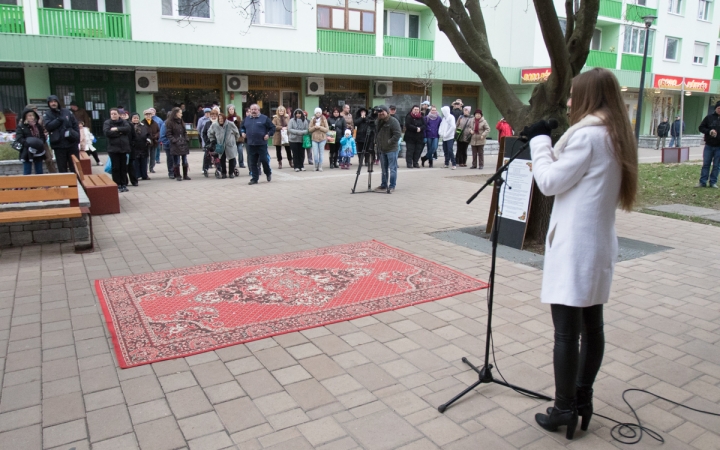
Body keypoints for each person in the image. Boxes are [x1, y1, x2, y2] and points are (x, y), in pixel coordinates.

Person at [524, 67, 638, 440]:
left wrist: (540, 142)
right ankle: (582, 401)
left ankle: (563, 409)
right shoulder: (616, 133)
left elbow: (550, 181)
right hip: (598, 243)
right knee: (592, 327)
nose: (570, 102)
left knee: (565, 333)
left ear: (590, 97)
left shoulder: (587, 137)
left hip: (575, 246)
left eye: (574, 95)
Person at [43, 95, 80, 173]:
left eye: (55, 101)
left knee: (75, 167)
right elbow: (48, 126)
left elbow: (75, 125)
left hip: (71, 143)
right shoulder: (47, 114)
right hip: (59, 145)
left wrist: (77, 138)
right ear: (49, 103)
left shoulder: (67, 112)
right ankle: (65, 185)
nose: (53, 103)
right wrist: (58, 119)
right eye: (51, 102)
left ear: (58, 102)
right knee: (62, 168)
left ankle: (77, 183)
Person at [241, 104, 275, 185]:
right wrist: (242, 132)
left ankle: (268, 173)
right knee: (252, 162)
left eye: (255, 109)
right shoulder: (246, 119)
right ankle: (254, 179)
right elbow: (242, 127)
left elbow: (272, 127)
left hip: (261, 144)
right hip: (250, 144)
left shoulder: (264, 118)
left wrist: (268, 134)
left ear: (258, 110)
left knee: (264, 160)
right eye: (252, 109)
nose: (253, 111)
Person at [373, 105, 402, 193]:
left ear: (387, 112)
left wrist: (389, 142)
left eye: (382, 111)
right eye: (379, 112)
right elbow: (376, 131)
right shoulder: (378, 121)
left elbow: (397, 134)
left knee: (392, 168)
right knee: (383, 168)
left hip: (391, 149)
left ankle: (392, 185)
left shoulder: (393, 121)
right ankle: (383, 185)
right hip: (382, 148)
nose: (381, 113)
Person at [103, 108, 132, 192]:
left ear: (119, 114)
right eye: (112, 114)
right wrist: (121, 133)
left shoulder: (124, 122)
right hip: (113, 149)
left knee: (123, 167)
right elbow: (107, 133)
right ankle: (117, 184)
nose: (113, 115)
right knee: (116, 167)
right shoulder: (107, 123)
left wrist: (117, 129)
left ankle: (123, 184)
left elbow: (128, 129)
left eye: (115, 114)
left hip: (124, 148)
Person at [15, 107, 47, 175]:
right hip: (27, 151)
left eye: (33, 115)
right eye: (29, 115)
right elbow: (19, 138)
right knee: (27, 170)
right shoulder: (21, 126)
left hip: (38, 149)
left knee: (39, 170)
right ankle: (27, 185)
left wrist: (40, 143)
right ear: (25, 117)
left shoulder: (38, 126)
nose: (32, 117)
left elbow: (42, 136)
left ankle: (41, 184)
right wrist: (28, 144)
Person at [209, 113, 240, 179]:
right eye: (219, 119)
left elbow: (237, 133)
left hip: (230, 145)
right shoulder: (214, 125)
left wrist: (235, 141)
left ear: (224, 118)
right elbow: (210, 133)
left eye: (222, 119)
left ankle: (231, 173)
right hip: (220, 145)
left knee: (231, 158)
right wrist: (213, 140)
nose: (220, 120)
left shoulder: (230, 124)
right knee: (222, 159)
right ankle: (224, 173)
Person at [697, 102, 720, 188]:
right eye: (719, 108)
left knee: (717, 165)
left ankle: (713, 182)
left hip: (719, 146)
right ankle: (703, 182)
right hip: (709, 145)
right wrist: (709, 131)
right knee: (706, 164)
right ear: (715, 108)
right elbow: (701, 127)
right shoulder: (709, 118)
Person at [165, 107, 191, 181]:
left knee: (184, 160)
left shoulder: (181, 121)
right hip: (175, 144)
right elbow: (168, 134)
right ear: (176, 113)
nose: (181, 114)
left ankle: (185, 175)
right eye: (180, 113)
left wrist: (186, 138)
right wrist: (174, 140)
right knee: (176, 160)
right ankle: (178, 175)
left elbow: (184, 132)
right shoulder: (170, 122)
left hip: (183, 143)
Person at [227, 104, 246, 168]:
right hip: (231, 137)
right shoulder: (226, 118)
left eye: (232, 109)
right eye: (230, 109)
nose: (231, 110)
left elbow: (240, 126)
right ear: (228, 110)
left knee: (240, 150)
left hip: (238, 137)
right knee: (232, 151)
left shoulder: (238, 117)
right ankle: (234, 163)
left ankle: (241, 163)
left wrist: (237, 122)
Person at [149, 108, 164, 172]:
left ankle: (155, 162)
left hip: (156, 139)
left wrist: (159, 138)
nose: (151, 114)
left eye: (152, 112)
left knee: (155, 152)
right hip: (147, 139)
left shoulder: (159, 120)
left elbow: (161, 130)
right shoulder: (143, 122)